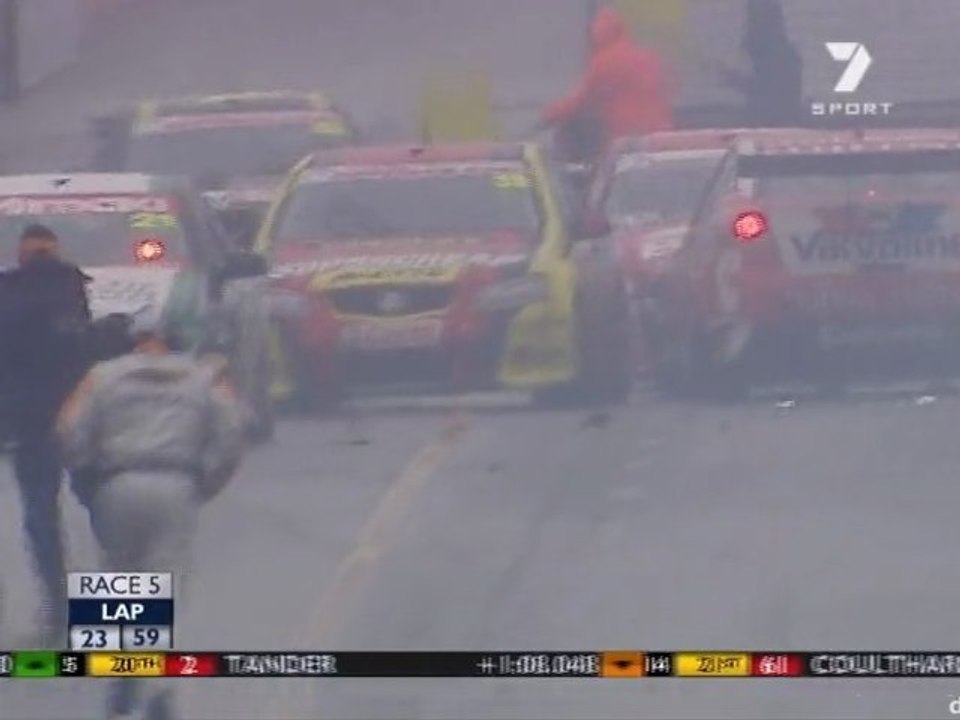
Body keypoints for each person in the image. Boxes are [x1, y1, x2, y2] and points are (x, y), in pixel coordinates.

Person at [57, 311, 246, 720]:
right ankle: (159, 687)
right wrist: (208, 480)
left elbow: (69, 429)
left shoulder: (100, 376)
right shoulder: (203, 377)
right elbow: (233, 430)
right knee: (169, 585)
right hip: (176, 484)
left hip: (116, 483)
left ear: (133, 339)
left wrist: (87, 475)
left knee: (118, 583)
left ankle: (121, 677)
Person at [0, 223, 92, 644]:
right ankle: (119, 612)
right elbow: (84, 351)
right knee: (105, 510)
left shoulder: (9, 293)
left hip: (30, 423)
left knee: (41, 516)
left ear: (22, 254)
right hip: (81, 417)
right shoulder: (73, 289)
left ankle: (56, 608)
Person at [539, 5, 673, 163]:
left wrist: (550, 114)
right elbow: (669, 87)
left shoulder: (604, 62)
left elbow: (580, 100)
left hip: (628, 139)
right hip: (661, 136)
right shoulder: (647, 57)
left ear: (599, 34)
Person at [718, 0, 803, 127]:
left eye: (753, 21)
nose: (747, 28)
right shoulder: (781, 54)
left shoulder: (782, 56)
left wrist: (734, 80)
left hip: (775, 127)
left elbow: (772, 93)